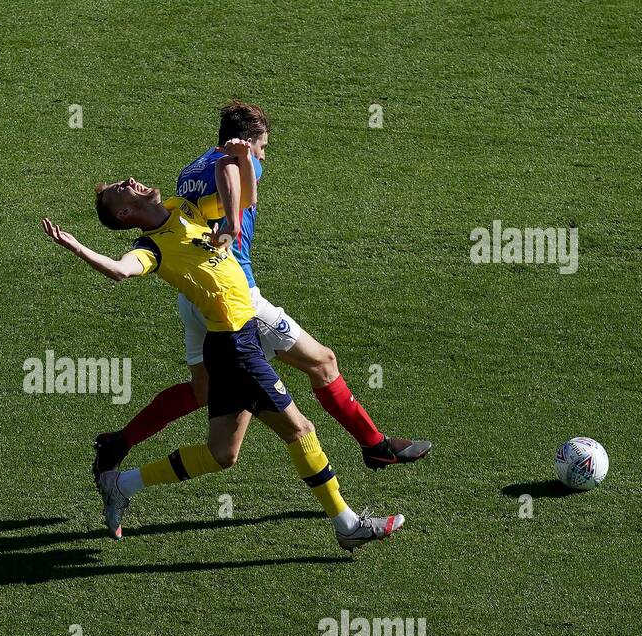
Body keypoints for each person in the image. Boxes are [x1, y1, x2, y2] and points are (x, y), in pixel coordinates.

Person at [41, 153, 405, 551]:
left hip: (230, 343)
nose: (129, 179)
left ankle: (120, 484)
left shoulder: (182, 208)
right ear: (127, 212)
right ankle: (347, 524)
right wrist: (77, 247)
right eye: (120, 190)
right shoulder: (151, 248)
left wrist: (242, 159)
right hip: (236, 348)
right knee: (300, 430)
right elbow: (120, 270)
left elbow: (244, 195)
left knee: (222, 454)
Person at [93, 101, 430, 478]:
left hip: (192, 296)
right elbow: (235, 178)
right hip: (236, 298)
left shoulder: (190, 170)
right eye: (263, 147)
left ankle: (118, 442)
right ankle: (376, 447)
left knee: (202, 392)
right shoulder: (242, 160)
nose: (263, 155)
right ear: (248, 142)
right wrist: (236, 214)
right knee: (323, 362)